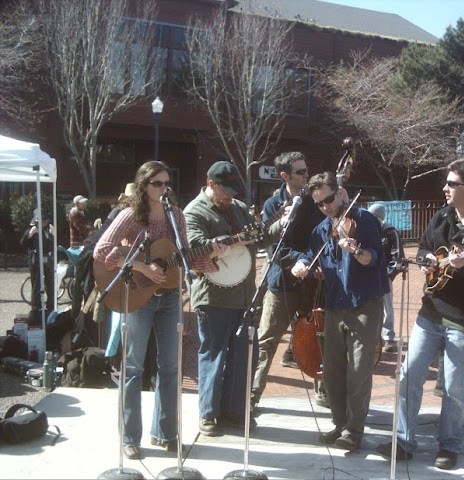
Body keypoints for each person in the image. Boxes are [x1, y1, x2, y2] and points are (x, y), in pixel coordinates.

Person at [376, 159, 464, 470]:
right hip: (431, 313)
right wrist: (427, 261)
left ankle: (449, 445)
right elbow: (423, 248)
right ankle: (404, 440)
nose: (444, 188)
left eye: (451, 184)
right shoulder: (442, 217)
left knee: (453, 387)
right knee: (409, 375)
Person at [93, 161, 220, 460]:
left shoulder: (176, 215)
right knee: (134, 367)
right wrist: (141, 267)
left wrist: (213, 253)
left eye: (166, 183)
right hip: (138, 296)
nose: (163, 189)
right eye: (157, 183)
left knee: (172, 367)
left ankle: (165, 433)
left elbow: (185, 257)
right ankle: (130, 437)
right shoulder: (130, 215)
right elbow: (102, 249)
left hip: (170, 297)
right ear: (143, 185)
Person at [184, 161, 284, 438]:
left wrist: (280, 225)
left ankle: (234, 412)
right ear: (210, 183)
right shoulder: (194, 211)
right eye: (224, 190)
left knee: (242, 356)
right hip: (212, 295)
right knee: (214, 354)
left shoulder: (238, 208)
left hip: (243, 295)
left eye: (232, 191)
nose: (229, 196)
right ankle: (208, 414)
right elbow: (193, 247)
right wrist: (229, 241)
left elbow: (260, 238)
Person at [292, 171, 388, 452]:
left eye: (330, 199)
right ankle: (339, 423)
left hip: (364, 303)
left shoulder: (364, 219)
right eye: (320, 203)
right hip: (334, 303)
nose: (326, 207)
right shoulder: (321, 230)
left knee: (359, 370)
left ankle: (354, 430)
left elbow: (374, 259)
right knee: (332, 370)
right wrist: (303, 264)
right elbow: (311, 256)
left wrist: (355, 249)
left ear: (340, 192)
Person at [251, 152, 328, 410]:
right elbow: (273, 245)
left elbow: (322, 238)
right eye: (301, 172)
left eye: (307, 170)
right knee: (267, 341)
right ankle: (252, 396)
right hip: (281, 282)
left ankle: (324, 394)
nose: (306, 175)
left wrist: (312, 263)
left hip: (312, 284)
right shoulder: (273, 205)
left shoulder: (314, 202)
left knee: (318, 338)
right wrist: (298, 260)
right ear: (285, 175)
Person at [367, 202, 404, 353]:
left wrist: (388, 274)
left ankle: (389, 337)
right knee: (371, 306)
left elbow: (397, 256)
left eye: (373, 217)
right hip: (370, 275)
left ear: (379, 217)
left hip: (384, 275)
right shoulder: (369, 230)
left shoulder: (390, 232)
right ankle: (375, 337)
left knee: (386, 307)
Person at [20, 211, 55, 313]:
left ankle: (51, 305)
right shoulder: (31, 231)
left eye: (43, 221)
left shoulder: (47, 231)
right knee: (36, 284)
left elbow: (52, 245)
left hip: (47, 259)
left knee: (50, 283)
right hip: (35, 259)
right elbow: (23, 243)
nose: (42, 223)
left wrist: (53, 234)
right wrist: (30, 235)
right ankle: (36, 307)